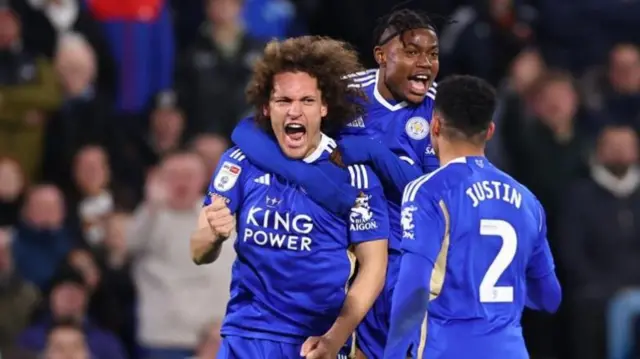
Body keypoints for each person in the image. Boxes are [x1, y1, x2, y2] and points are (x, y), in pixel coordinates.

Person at [228, 9, 440, 358]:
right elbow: (246, 131)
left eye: (432, 54)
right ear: (381, 55)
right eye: (412, 52)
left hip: (414, 259)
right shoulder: (349, 92)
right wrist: (315, 181)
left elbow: (434, 196)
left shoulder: (439, 109)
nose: (425, 63)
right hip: (352, 254)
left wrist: (375, 155)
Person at [189, 35, 389, 359]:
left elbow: (374, 266)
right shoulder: (239, 163)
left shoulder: (355, 176)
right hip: (247, 336)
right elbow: (198, 251)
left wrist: (335, 338)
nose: (294, 111)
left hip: (315, 341)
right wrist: (213, 235)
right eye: (283, 101)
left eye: (307, 101)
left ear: (324, 107)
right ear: (267, 108)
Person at [384, 75, 562, 359]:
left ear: (436, 125)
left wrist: (392, 353)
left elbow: (414, 285)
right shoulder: (528, 201)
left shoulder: (429, 191)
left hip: (448, 349)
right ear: (489, 130)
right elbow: (550, 298)